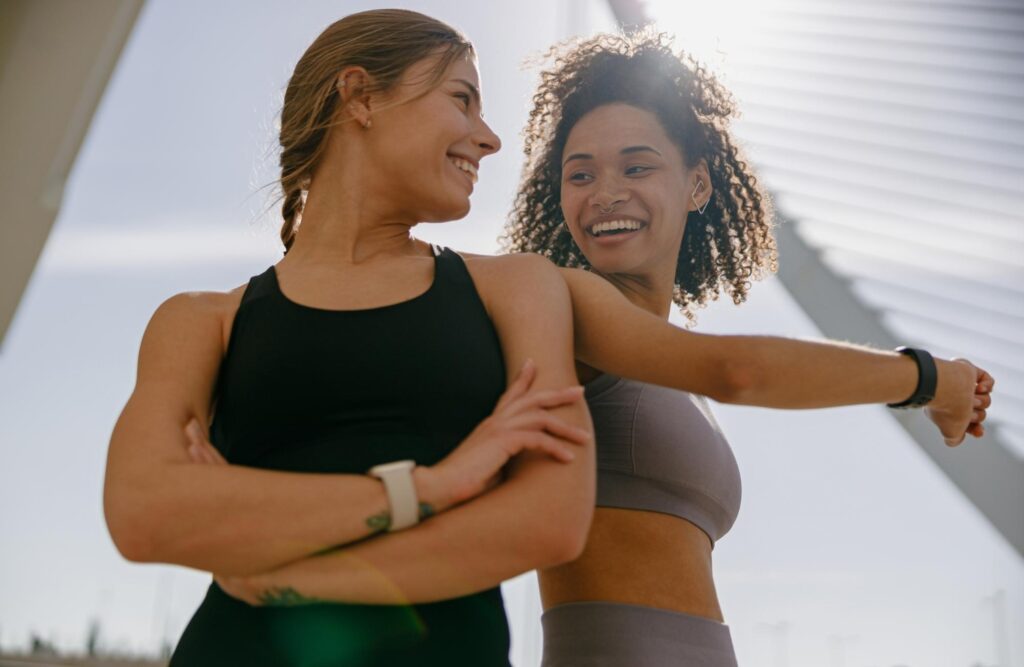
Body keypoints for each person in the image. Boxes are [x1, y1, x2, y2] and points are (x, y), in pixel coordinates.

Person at [179, 27, 994, 667]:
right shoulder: (563, 312)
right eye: (578, 173)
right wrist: (924, 377)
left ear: (699, 184)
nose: (606, 193)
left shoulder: (649, 345)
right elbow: (740, 369)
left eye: (637, 166)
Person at [104, 10, 598, 667]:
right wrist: (432, 486)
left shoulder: (513, 289)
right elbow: (143, 510)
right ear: (361, 96)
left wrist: (275, 567)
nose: (489, 138)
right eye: (462, 98)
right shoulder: (199, 320)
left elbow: (549, 520)